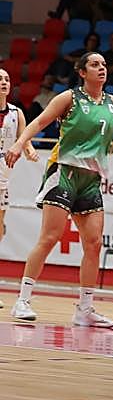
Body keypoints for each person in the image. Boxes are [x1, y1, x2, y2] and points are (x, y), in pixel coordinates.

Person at [5, 51, 113, 325]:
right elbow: (39, 122)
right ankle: (22, 300)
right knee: (49, 238)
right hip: (64, 172)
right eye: (95, 65)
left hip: (91, 179)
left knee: (93, 244)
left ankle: (85, 309)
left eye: (104, 64)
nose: (101, 68)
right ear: (82, 72)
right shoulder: (69, 98)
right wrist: (19, 144)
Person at [0, 69, 39, 265]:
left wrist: (29, 150)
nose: (4, 82)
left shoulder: (17, 113)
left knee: (0, 227)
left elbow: (24, 139)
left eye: (7, 79)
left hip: (4, 178)